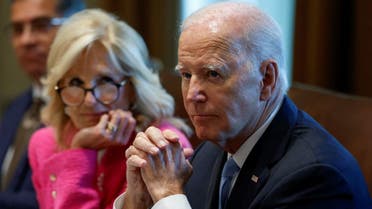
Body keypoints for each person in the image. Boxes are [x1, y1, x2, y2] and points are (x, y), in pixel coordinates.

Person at [118, 2, 372, 209]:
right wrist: (139, 202)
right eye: (186, 75)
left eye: (213, 74)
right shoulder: (214, 147)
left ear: (266, 79)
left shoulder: (316, 178)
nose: (192, 94)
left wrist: (168, 195)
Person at [27, 8, 192, 209]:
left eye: (105, 80)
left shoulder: (160, 144)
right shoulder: (45, 142)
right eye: (75, 82)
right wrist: (80, 151)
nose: (89, 101)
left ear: (133, 88)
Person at [0, 0, 85, 208]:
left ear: (76, 28)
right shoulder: (14, 108)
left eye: (41, 25)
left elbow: (58, 199)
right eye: (18, 29)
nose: (26, 40)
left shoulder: (91, 109)